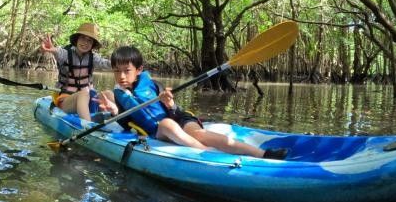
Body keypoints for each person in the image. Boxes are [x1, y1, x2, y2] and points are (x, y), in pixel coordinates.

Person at [97, 46, 288, 160]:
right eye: (116, 71)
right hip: (158, 130)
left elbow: (174, 111)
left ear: (139, 70)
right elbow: (125, 121)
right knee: (166, 124)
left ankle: (263, 154)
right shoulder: (118, 94)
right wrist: (114, 111)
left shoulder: (153, 85)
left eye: (126, 70)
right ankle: (211, 156)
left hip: (176, 117)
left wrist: (170, 104)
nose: (121, 76)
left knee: (199, 133)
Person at [41, 22, 113, 121]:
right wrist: (52, 49)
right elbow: (58, 52)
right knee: (83, 94)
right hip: (66, 99)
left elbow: (107, 64)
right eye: (83, 38)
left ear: (92, 44)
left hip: (88, 99)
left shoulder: (93, 58)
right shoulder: (66, 54)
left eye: (89, 41)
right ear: (77, 39)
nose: (85, 43)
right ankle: (87, 125)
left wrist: (121, 62)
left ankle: (117, 122)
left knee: (109, 93)